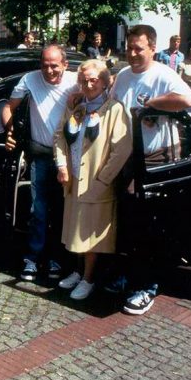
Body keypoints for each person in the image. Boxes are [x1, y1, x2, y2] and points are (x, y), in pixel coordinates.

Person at [108, 24, 191, 315]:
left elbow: (188, 99)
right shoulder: (123, 75)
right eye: (129, 48)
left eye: (139, 49)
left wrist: (152, 105)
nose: (132, 54)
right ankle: (130, 275)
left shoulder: (163, 75)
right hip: (128, 156)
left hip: (156, 158)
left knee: (150, 225)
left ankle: (146, 286)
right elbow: (113, 107)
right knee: (128, 220)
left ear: (153, 49)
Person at [54, 60, 132, 300]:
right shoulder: (77, 107)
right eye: (84, 80)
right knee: (76, 230)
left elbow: (122, 149)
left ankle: (88, 279)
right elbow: (59, 136)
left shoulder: (114, 110)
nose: (88, 85)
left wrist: (103, 180)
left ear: (105, 82)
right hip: (74, 180)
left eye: (94, 80)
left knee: (90, 236)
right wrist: (62, 165)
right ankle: (78, 272)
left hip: (96, 183)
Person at [2, 44, 79, 282]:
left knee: (63, 211)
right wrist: (9, 130)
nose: (49, 70)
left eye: (54, 65)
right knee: (38, 210)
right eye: (45, 65)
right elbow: (8, 107)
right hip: (41, 155)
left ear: (65, 64)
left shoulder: (77, 81)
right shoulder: (30, 79)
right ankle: (32, 259)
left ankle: (57, 259)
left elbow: (102, 91)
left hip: (69, 157)